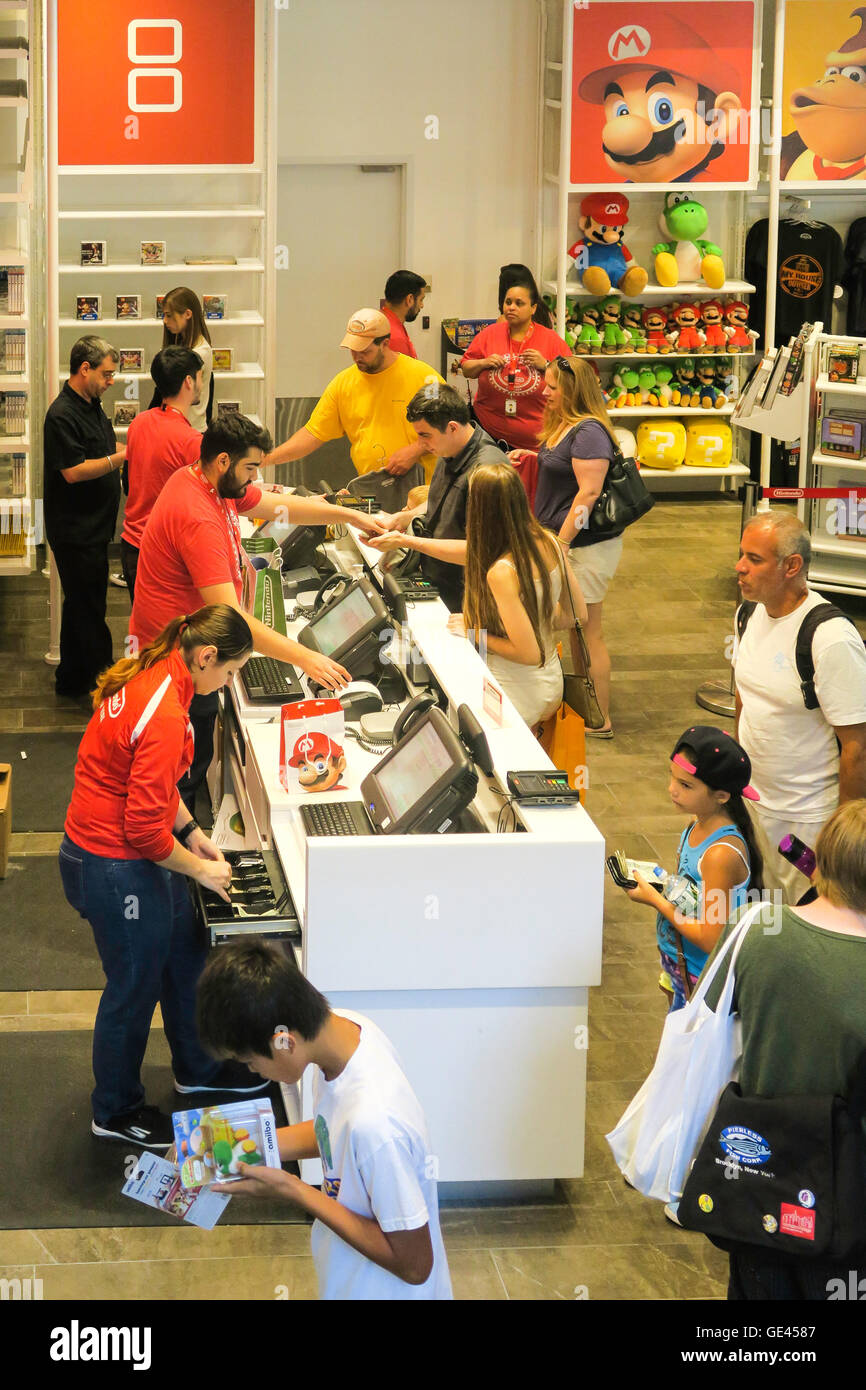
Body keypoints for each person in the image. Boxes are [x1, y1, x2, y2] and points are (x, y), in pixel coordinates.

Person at [59, 604, 269, 1149]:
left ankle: (198, 1067)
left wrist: (194, 830)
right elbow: (146, 835)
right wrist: (201, 870)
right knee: (133, 986)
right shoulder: (167, 713)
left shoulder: (164, 679)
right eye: (230, 672)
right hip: (110, 864)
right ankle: (115, 1108)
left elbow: (152, 784)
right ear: (205, 657)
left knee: (184, 949)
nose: (229, 683)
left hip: (117, 852)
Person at [130, 412, 384, 812]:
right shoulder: (196, 515)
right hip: (177, 660)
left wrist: (347, 514)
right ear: (223, 461)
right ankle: (176, 859)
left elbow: (276, 505)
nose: (253, 479)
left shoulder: (210, 483)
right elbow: (229, 616)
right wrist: (307, 659)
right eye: (250, 468)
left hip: (191, 650)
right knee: (178, 778)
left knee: (190, 768)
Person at [195, 938, 453, 1301]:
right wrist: (236, 1144)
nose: (256, 1074)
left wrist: (294, 1190)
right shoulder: (346, 1033)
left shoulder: (376, 1123)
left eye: (251, 1062)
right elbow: (334, 1134)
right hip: (349, 1279)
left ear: (284, 1041)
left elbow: (415, 1265)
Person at [703, 799, 866, 1300]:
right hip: (850, 1193)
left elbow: (709, 1014)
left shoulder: (755, 928)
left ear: (823, 857)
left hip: (758, 1174)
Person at [734, 510, 866, 903]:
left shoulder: (830, 638)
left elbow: (857, 748)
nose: (740, 568)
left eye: (754, 559)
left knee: (808, 923)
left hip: (806, 822)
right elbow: (744, 695)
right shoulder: (748, 612)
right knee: (765, 920)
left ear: (792, 566)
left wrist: (841, 839)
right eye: (741, 554)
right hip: (752, 806)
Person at [620, 725, 763, 1012]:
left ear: (721, 796)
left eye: (686, 785)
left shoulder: (719, 854)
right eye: (672, 777)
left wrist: (655, 899)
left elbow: (711, 938)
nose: (672, 789)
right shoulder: (695, 826)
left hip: (700, 975)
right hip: (680, 964)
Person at [444, 462, 588, 730]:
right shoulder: (550, 541)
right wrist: (533, 616)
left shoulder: (501, 572)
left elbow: (528, 653)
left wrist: (474, 631)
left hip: (514, 692)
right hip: (552, 685)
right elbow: (578, 614)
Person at [532, 356, 623, 736]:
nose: (544, 392)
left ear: (573, 390)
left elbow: (588, 494)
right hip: (567, 544)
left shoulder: (589, 433)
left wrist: (564, 541)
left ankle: (600, 718)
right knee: (576, 630)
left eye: (553, 387)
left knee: (588, 631)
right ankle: (586, 707)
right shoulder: (568, 427)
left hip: (584, 547)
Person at [366, 384, 506, 612]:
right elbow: (440, 500)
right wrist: (402, 519)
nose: (421, 444)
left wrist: (406, 541)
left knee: (471, 649)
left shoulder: (487, 471)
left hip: (471, 599)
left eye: (425, 435)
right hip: (440, 582)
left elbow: (482, 552)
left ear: (452, 427)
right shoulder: (448, 448)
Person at [261, 308, 445, 481]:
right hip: (375, 489)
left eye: (365, 351)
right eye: (353, 350)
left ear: (385, 344)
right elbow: (313, 434)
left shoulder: (424, 378)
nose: (357, 357)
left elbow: (453, 426)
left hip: (425, 491)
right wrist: (268, 459)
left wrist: (416, 449)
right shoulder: (343, 383)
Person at [43, 336, 125, 699]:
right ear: (84, 369)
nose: (111, 381)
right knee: (90, 606)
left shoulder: (92, 404)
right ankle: (105, 684)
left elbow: (103, 449)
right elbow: (73, 471)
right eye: (106, 374)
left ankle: (70, 678)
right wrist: (123, 458)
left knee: (79, 601)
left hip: (93, 525)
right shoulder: (61, 415)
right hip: (76, 529)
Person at [120, 346, 204, 602]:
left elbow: (130, 481)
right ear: (188, 382)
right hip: (164, 555)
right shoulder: (191, 440)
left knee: (148, 635)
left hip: (132, 546)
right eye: (200, 377)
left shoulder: (139, 423)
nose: (202, 383)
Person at [459, 276, 570, 452]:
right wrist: (483, 363)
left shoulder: (551, 340)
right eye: (508, 302)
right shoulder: (489, 334)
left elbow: (573, 381)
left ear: (533, 308)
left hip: (536, 443)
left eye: (519, 303)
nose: (511, 307)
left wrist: (547, 365)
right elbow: (466, 369)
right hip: (487, 436)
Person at [158, 287, 213, 432]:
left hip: (189, 429)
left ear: (187, 314)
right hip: (178, 426)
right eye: (164, 315)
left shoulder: (200, 353)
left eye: (169, 315)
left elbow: (183, 395)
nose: (165, 321)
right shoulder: (181, 343)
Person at [382, 269, 427, 358]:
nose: (422, 306)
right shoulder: (394, 337)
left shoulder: (384, 321)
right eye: (421, 300)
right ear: (409, 299)